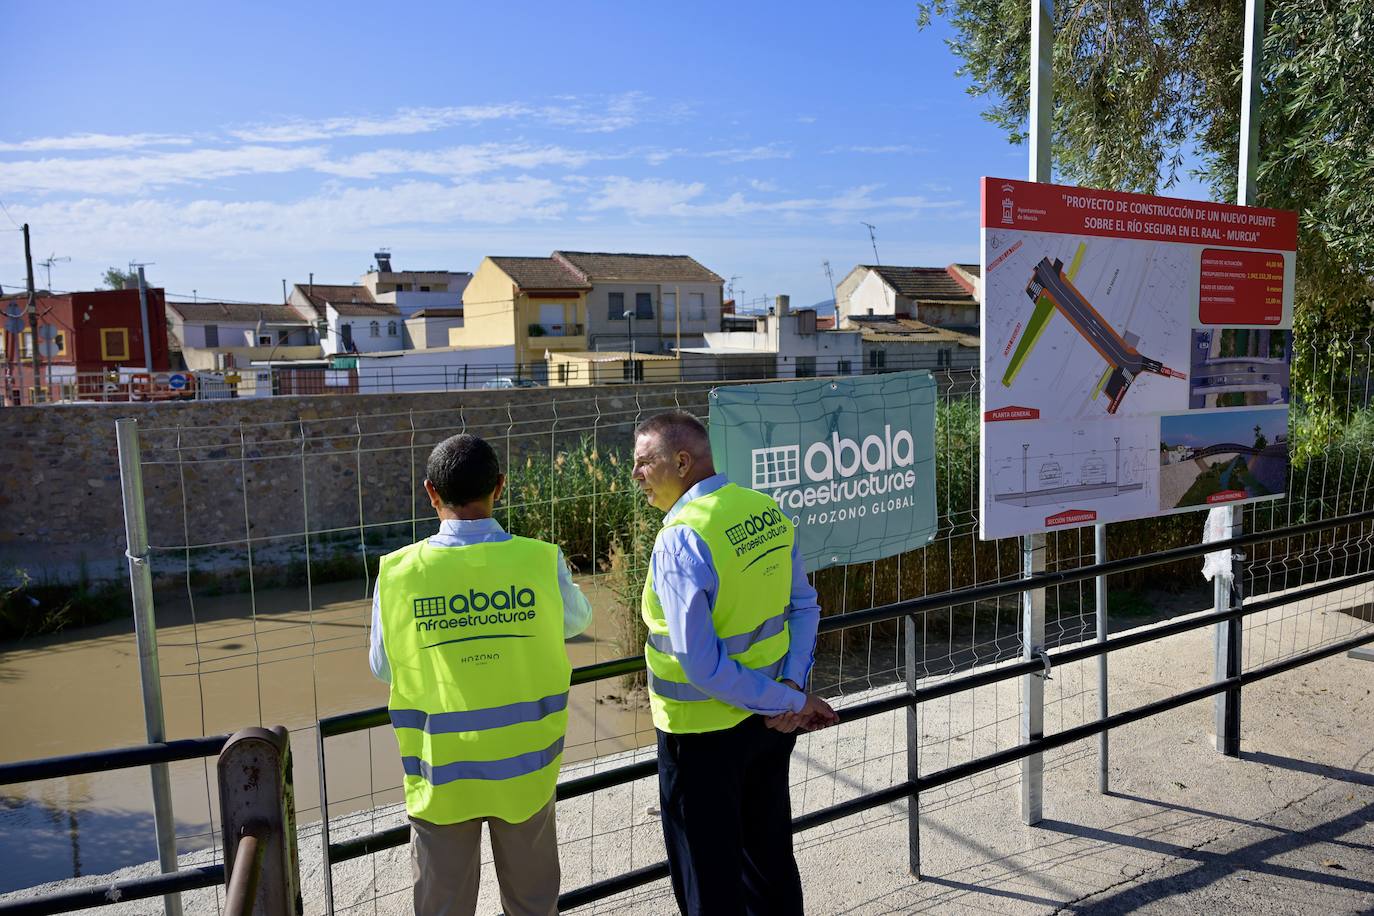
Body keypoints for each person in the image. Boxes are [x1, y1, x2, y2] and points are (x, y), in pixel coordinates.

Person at [369, 433, 592, 916]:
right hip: (525, 770)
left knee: (443, 907)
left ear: (431, 492)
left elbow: (382, 666)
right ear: (500, 486)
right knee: (533, 904)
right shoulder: (539, 560)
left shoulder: (397, 572)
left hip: (442, 774)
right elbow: (577, 621)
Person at [631, 410, 839, 916]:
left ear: (681, 462)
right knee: (769, 863)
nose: (636, 476)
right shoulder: (763, 509)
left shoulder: (680, 537)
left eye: (643, 463)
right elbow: (804, 606)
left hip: (701, 736)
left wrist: (791, 698)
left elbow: (701, 666)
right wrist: (790, 689)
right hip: (769, 726)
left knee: (709, 882)